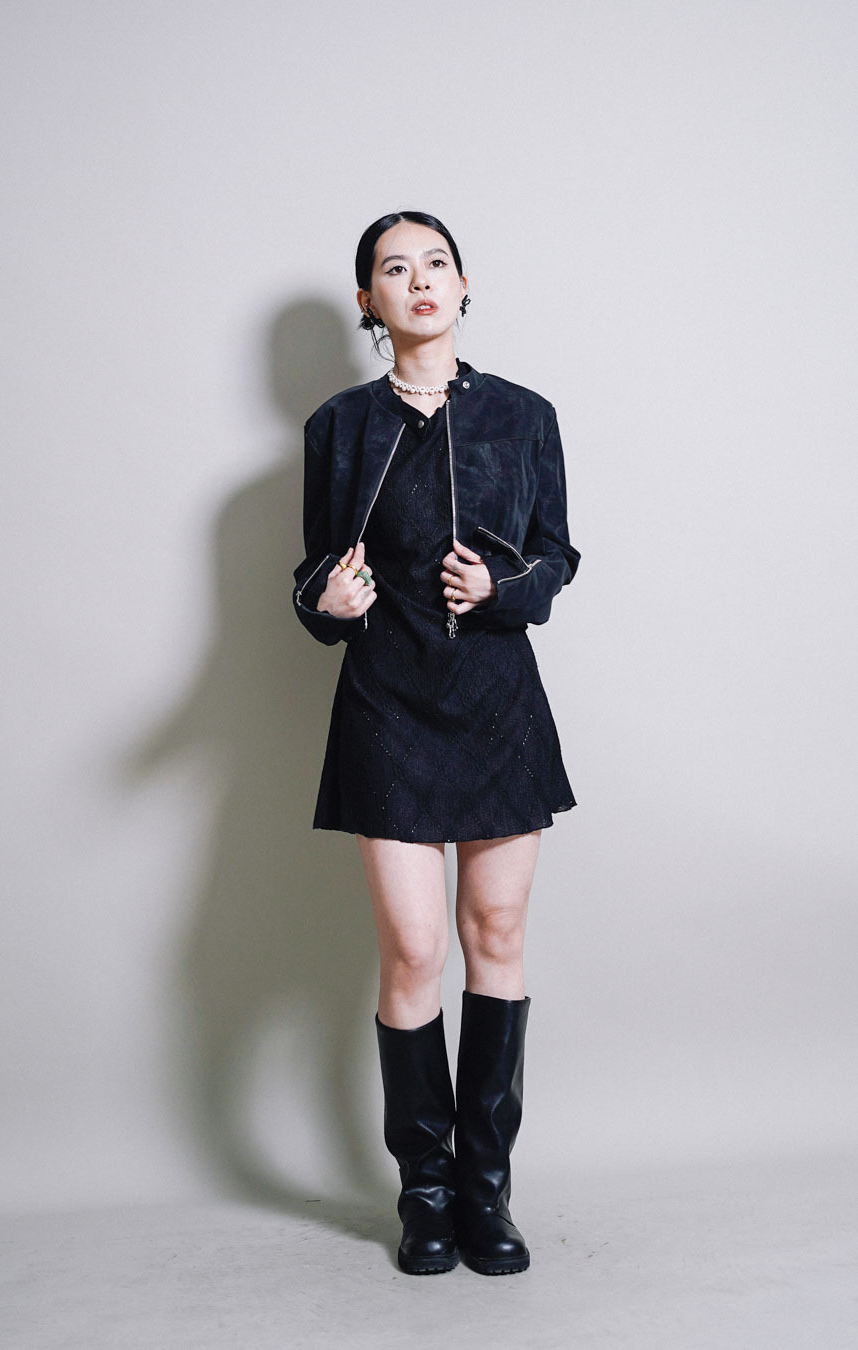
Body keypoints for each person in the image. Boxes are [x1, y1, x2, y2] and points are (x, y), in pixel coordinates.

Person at [291, 211, 580, 1276]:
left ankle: (484, 1193)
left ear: (463, 285)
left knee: (494, 932)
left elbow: (558, 556)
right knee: (415, 949)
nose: (419, 280)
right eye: (394, 269)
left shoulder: (524, 416)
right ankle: (424, 1195)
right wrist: (326, 601)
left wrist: (503, 586)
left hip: (497, 704)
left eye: (436, 264)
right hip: (387, 704)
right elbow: (313, 578)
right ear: (367, 301)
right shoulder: (339, 426)